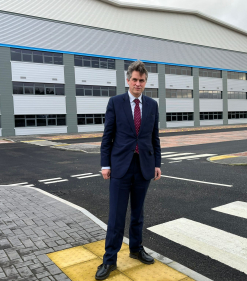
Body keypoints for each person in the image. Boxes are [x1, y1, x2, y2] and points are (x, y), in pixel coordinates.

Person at [96, 60, 161, 280]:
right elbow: (108, 136)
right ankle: (109, 260)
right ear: (128, 80)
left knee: (138, 213)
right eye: (134, 79)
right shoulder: (116, 102)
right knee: (116, 216)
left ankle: (136, 249)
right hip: (120, 168)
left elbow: (154, 138)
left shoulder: (152, 105)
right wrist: (105, 165)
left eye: (142, 80)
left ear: (146, 82)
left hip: (143, 167)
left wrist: (157, 164)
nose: (138, 83)